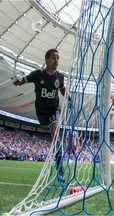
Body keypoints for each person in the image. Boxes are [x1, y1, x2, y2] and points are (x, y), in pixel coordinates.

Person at [13, 48, 69, 182]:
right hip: (41, 112)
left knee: (56, 136)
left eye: (58, 58)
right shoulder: (38, 74)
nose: (56, 61)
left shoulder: (59, 76)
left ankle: (60, 171)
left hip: (54, 111)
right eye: (53, 57)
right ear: (46, 60)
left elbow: (62, 88)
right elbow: (23, 80)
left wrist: (69, 97)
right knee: (52, 132)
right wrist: (18, 80)